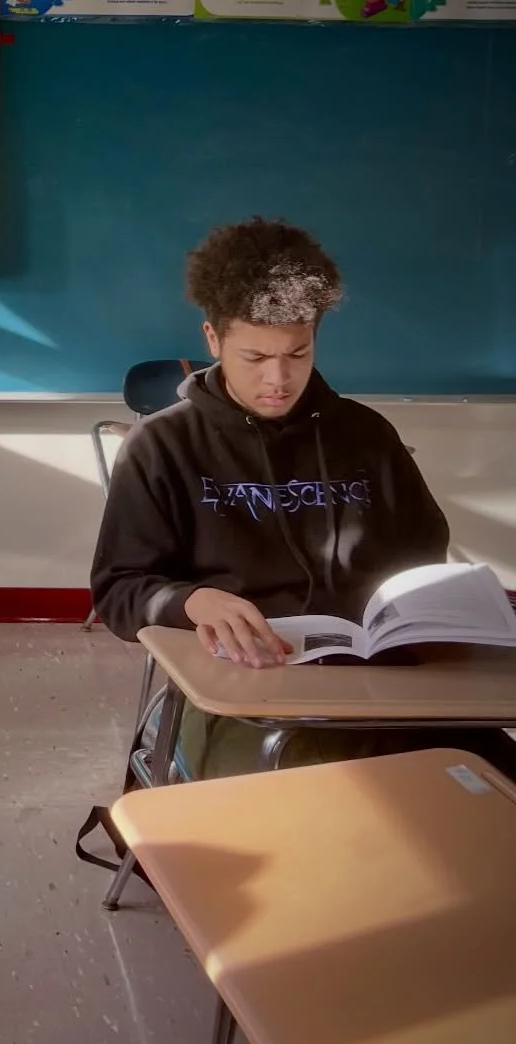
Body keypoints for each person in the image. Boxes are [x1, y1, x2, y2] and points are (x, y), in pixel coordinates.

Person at [90, 217, 516, 779]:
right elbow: (120, 589)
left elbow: (422, 554)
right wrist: (192, 602)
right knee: (352, 805)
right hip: (249, 691)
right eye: (256, 357)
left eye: (298, 352)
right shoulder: (163, 445)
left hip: (389, 682)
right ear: (213, 340)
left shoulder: (367, 435)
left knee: (488, 790)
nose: (279, 379)